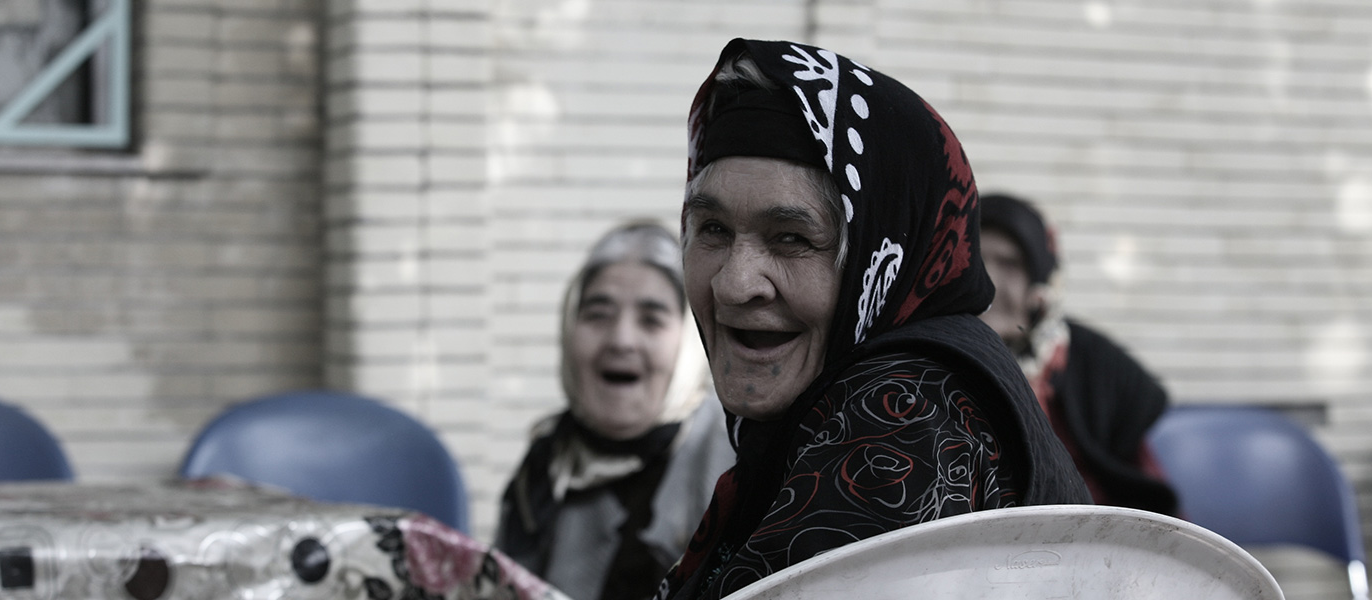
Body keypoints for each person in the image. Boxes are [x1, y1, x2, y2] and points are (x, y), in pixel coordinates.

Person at [654, 39, 1091, 600]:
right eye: (712, 230)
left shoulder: (906, 415)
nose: (734, 284)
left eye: (792, 238)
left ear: (883, 258)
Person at [496, 223, 736, 600]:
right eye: (598, 314)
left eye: (651, 320)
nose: (621, 340)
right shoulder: (546, 466)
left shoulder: (732, 451)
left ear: (689, 340)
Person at [977, 192, 1179, 515]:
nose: (988, 282)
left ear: (1038, 284)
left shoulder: (1094, 364)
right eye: (975, 262)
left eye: (1009, 264)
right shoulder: (931, 362)